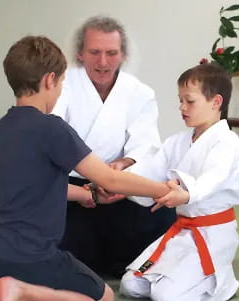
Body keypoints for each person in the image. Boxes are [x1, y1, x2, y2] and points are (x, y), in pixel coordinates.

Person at [0, 36, 173, 301]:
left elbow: (35, 184)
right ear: (50, 80)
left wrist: (86, 194)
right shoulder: (52, 128)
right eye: (62, 81)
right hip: (33, 255)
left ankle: (12, 283)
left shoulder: (3, 128)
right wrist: (163, 190)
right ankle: (22, 291)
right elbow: (109, 178)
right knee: (103, 300)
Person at [52, 16, 176, 277]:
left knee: (162, 212)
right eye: (94, 52)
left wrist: (123, 166)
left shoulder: (139, 92)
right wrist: (93, 179)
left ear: (122, 55)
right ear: (80, 54)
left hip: (119, 185)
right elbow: (54, 136)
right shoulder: (62, 86)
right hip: (76, 186)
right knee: (58, 234)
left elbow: (147, 145)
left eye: (111, 53)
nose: (103, 62)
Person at [119, 63, 239, 301]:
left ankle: (223, 283)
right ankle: (185, 276)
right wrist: (117, 184)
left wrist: (186, 194)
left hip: (213, 234)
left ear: (216, 102)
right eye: (180, 101)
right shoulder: (177, 142)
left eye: (189, 101)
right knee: (131, 285)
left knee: (168, 298)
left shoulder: (227, 141)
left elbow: (213, 178)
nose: (181, 108)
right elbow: (148, 171)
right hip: (182, 231)